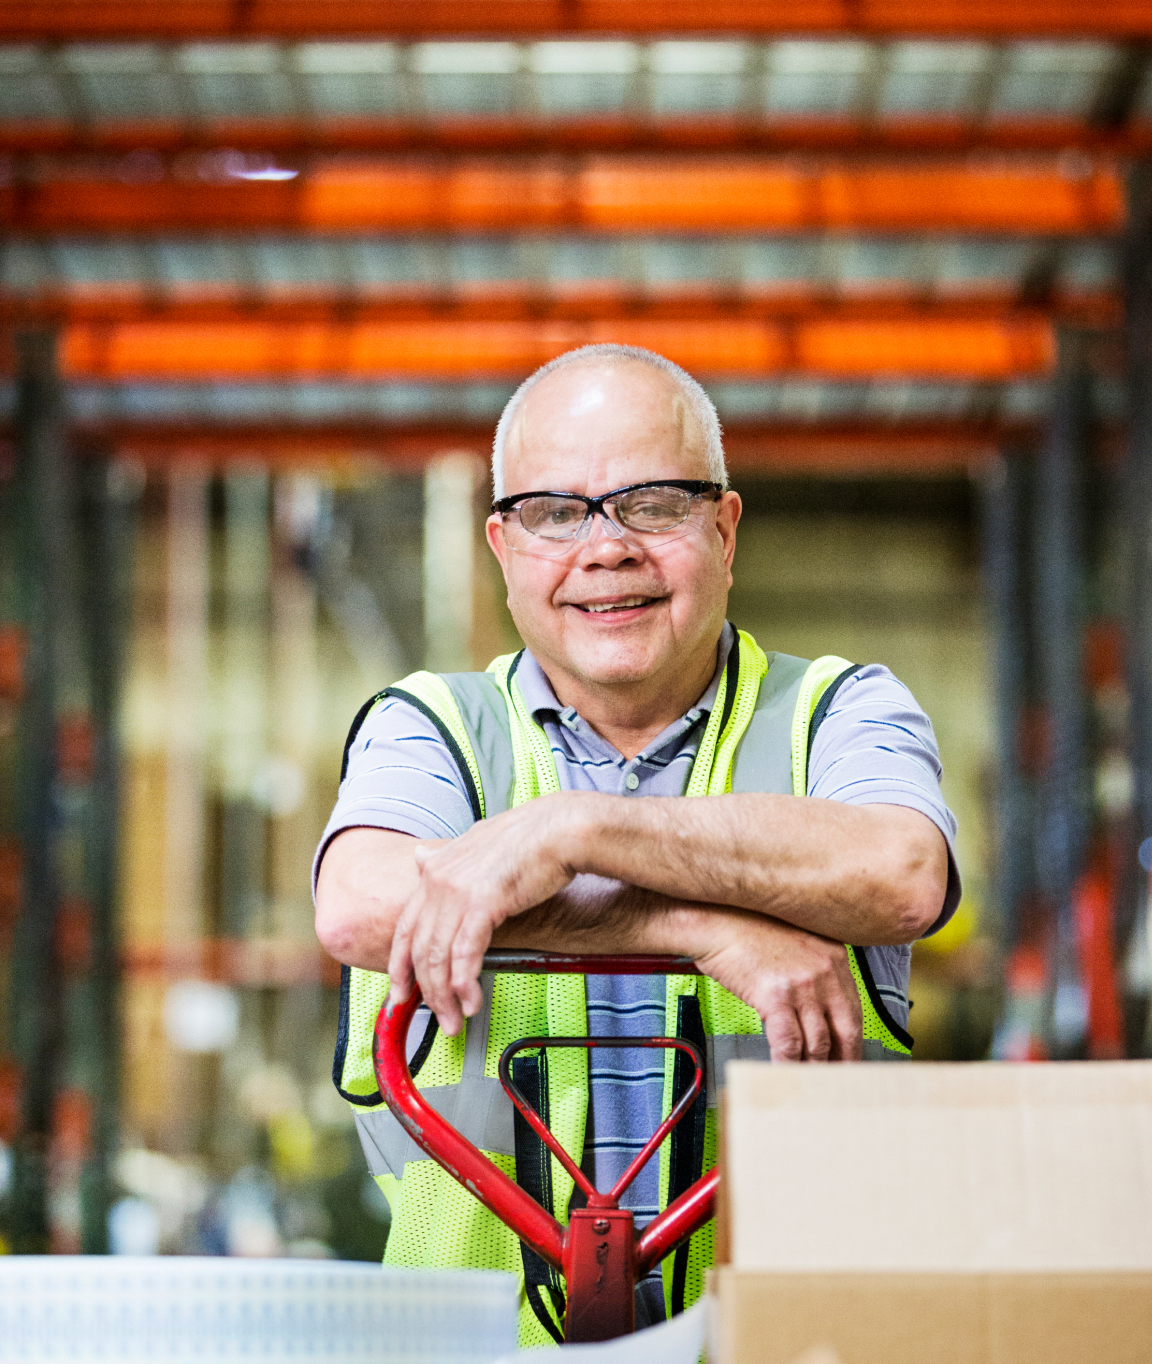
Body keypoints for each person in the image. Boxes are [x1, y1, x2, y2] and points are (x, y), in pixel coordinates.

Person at [314, 343, 960, 1345]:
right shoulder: (433, 728)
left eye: (653, 502)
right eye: (555, 511)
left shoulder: (838, 713)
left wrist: (574, 829)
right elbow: (361, 902)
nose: (606, 547)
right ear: (501, 543)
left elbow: (902, 870)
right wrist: (706, 927)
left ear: (725, 526)